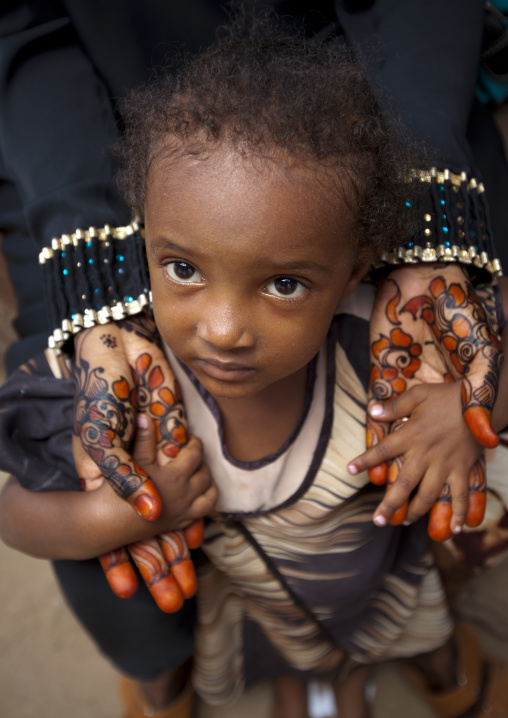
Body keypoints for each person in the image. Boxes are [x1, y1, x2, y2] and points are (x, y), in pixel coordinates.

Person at [2, 18, 508, 718]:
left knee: (407, 625)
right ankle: (267, 684)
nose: (223, 329)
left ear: (355, 270)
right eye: (182, 269)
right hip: (253, 603)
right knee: (246, 644)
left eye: (283, 284)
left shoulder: (384, 343)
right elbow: (14, 515)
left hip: (383, 583)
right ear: (140, 240)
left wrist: (465, 410)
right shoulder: (122, 381)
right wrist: (102, 517)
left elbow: (490, 348)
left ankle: (407, 666)